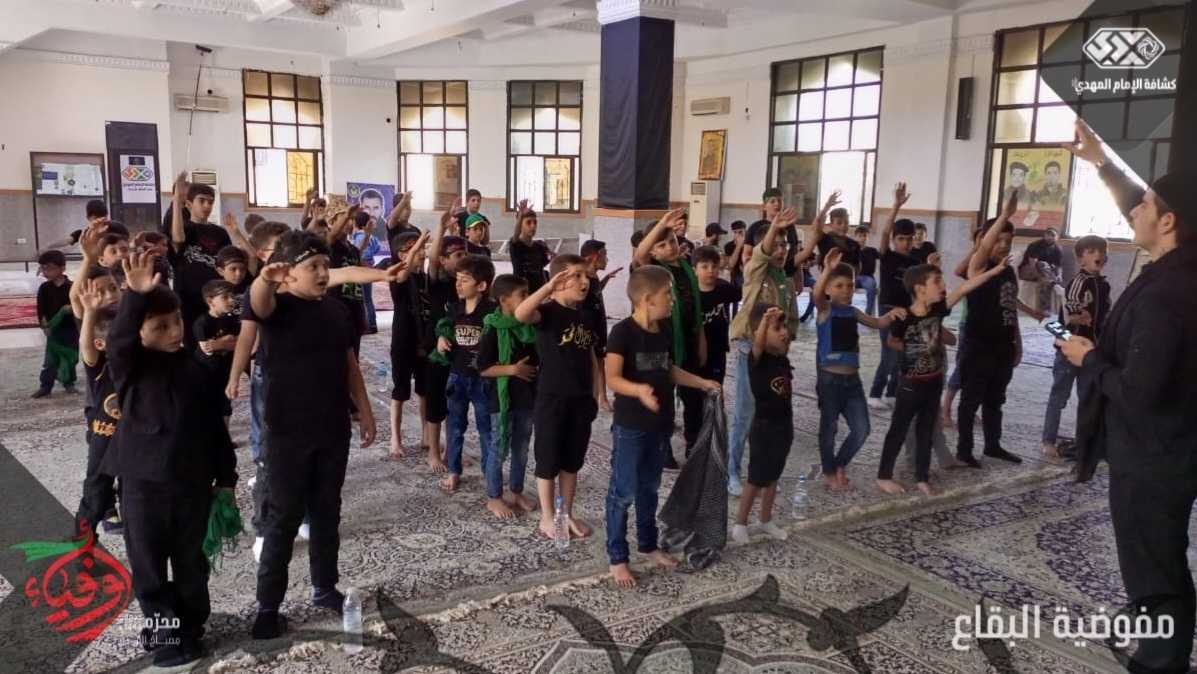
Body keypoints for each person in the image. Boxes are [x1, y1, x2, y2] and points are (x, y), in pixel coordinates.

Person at [1058, 117, 1197, 673]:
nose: (1133, 212)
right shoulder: (1182, 268)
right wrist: (1100, 162)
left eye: (1145, 207)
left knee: (1153, 565)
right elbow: (1138, 202)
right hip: (1173, 448)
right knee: (1159, 559)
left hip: (1153, 455)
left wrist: (1088, 358)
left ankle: (1161, 662)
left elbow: (1138, 393)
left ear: (1169, 221)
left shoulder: (1167, 294)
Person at [108, 251, 236, 666]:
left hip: (191, 484)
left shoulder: (197, 368)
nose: (174, 331)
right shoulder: (131, 370)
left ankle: (191, 626)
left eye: (176, 321)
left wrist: (226, 478)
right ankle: (165, 634)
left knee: (191, 563)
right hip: (143, 486)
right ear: (140, 332)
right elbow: (119, 343)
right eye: (160, 326)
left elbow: (215, 427)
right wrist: (134, 296)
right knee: (148, 566)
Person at [247, 230, 375, 641]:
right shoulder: (276, 307)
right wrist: (264, 279)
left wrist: (364, 409)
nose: (322, 273)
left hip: (332, 427)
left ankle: (324, 587)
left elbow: (349, 364)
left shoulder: (336, 311)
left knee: (326, 511)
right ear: (287, 273)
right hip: (287, 433)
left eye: (325, 265)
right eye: (312, 266)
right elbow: (257, 303)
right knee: (283, 517)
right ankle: (268, 606)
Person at [604, 265, 720, 587]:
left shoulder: (664, 329)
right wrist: (638, 390)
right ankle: (617, 557)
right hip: (631, 426)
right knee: (623, 491)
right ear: (646, 299)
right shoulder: (623, 333)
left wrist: (701, 382)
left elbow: (668, 370)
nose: (672, 299)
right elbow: (612, 377)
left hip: (660, 424)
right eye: (667, 294)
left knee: (649, 488)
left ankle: (648, 544)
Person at [876, 259, 1009, 496]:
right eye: (937, 281)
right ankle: (884, 476)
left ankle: (922, 478)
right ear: (920, 289)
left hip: (934, 381)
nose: (943, 285)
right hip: (910, 385)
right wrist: (913, 348)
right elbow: (891, 341)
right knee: (898, 429)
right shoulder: (904, 317)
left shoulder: (938, 310)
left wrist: (995, 271)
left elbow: (964, 288)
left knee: (926, 431)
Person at [514, 253, 604, 542]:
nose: (584, 281)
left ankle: (565, 514)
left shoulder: (586, 316)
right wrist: (547, 287)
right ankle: (547, 516)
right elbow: (521, 314)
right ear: (559, 280)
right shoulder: (547, 312)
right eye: (577, 275)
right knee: (548, 460)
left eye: (586, 276)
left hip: (581, 399)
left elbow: (591, 357)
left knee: (571, 461)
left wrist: (596, 394)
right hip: (552, 398)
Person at [726, 207, 808, 496]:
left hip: (775, 355)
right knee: (745, 413)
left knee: (769, 414)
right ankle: (731, 471)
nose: (782, 250)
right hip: (750, 349)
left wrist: (785, 342)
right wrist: (773, 226)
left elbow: (792, 319)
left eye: (785, 245)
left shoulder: (785, 282)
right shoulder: (754, 273)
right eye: (776, 244)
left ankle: (761, 472)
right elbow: (760, 254)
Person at [812, 249, 906, 491]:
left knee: (862, 429)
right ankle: (829, 472)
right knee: (829, 429)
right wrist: (827, 269)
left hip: (852, 382)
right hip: (830, 380)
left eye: (851, 286)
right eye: (840, 286)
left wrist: (891, 314)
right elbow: (816, 296)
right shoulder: (826, 310)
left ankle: (839, 464)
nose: (846, 290)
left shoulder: (853, 312)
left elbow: (877, 323)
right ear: (828, 289)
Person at [632, 210, 707, 470]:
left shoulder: (685, 268)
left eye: (672, 241)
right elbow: (640, 255)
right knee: (662, 397)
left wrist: (701, 340)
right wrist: (663, 223)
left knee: (694, 398)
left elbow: (696, 309)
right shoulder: (653, 272)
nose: (670, 247)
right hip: (660, 344)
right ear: (654, 251)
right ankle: (661, 449)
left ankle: (693, 443)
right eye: (662, 245)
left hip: (688, 341)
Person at [956, 192, 1022, 467]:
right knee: (970, 400)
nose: (1003, 246)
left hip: (1003, 346)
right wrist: (1004, 215)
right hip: (978, 345)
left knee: (995, 400)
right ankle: (964, 450)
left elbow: (1010, 308)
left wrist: (1017, 342)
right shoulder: (979, 266)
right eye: (998, 240)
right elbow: (983, 248)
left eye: (1008, 241)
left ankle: (993, 445)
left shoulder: (1008, 271)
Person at [476, 274, 539, 519]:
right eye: (523, 295)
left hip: (527, 397)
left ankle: (516, 491)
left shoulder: (529, 327)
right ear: (503, 300)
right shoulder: (493, 328)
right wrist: (513, 369)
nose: (528, 298)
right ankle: (494, 497)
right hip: (501, 400)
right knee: (499, 447)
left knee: (521, 448)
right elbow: (483, 368)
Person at [1041, 235, 1108, 459]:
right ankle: (1048, 440)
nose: (1098, 255)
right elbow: (1068, 315)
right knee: (1059, 397)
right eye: (1091, 251)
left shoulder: (1103, 285)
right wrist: (1080, 317)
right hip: (1070, 350)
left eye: (1101, 251)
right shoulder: (1078, 282)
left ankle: (1084, 441)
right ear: (1080, 259)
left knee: (1088, 397)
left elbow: (1103, 317)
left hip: (1091, 351)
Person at [435, 254, 498, 492]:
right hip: (457, 376)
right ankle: (454, 470)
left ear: (481, 286)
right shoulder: (454, 309)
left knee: (486, 429)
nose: (458, 284)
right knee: (454, 427)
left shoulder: (492, 312)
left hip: (483, 379)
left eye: (464, 280)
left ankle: (489, 472)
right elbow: (445, 330)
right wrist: (441, 339)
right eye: (457, 279)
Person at [731, 304, 792, 544]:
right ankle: (740, 523)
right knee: (756, 478)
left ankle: (765, 519)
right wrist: (765, 323)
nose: (783, 332)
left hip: (784, 425)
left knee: (774, 475)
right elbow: (757, 346)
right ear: (760, 332)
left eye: (783, 327)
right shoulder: (757, 359)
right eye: (778, 329)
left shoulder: (780, 359)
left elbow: (785, 341)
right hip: (764, 428)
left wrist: (779, 329)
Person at [422, 205, 469, 473]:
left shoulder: (467, 285)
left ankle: (452, 450)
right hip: (437, 350)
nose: (463, 259)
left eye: (465, 254)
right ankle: (433, 452)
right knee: (436, 402)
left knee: (456, 404)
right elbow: (432, 260)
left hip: (460, 351)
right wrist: (441, 227)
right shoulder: (437, 283)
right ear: (443, 260)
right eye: (458, 255)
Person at [868, 183, 922, 410]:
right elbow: (884, 232)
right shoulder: (887, 256)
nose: (906, 243)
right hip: (888, 309)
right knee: (888, 353)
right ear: (894, 240)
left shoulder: (915, 261)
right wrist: (896, 206)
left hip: (907, 311)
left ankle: (892, 392)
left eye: (909, 239)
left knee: (902, 352)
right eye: (901, 239)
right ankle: (875, 393)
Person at [73, 284, 120, 539]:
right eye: (118, 339)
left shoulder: (141, 365)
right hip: (104, 438)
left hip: (135, 439)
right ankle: (83, 544)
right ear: (101, 344)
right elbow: (86, 343)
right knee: (96, 491)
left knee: (134, 493)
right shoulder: (100, 367)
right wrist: (90, 312)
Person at [167, 171, 228, 351]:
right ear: (189, 204)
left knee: (216, 342)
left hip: (214, 297)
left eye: (210, 202)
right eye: (202, 201)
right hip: (189, 296)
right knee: (193, 344)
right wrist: (176, 199)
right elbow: (178, 238)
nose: (207, 206)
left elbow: (227, 262)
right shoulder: (184, 229)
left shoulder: (220, 233)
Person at [384, 230, 431, 459]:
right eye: (414, 249)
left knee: (424, 390)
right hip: (403, 341)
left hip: (423, 342)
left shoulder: (425, 279)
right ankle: (395, 438)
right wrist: (419, 242)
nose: (421, 253)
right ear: (402, 255)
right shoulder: (398, 278)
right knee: (400, 391)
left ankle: (426, 435)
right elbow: (403, 275)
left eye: (422, 249)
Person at [694, 245, 741, 393]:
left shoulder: (724, 288)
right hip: (694, 351)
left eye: (714, 266)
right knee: (694, 392)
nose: (710, 270)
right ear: (695, 270)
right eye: (704, 267)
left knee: (715, 389)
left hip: (718, 349)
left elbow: (744, 295)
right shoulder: (690, 294)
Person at [32, 250, 78, 398]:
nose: (45, 272)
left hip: (71, 329)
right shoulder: (44, 288)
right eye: (43, 268)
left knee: (70, 358)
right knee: (50, 359)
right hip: (53, 329)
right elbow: (41, 309)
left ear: (62, 268)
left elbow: (79, 308)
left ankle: (69, 382)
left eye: (49, 268)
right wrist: (44, 325)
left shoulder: (72, 287)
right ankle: (46, 386)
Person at [193, 280, 240, 423]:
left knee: (226, 404)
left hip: (226, 369)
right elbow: (207, 348)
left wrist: (219, 343)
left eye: (232, 296)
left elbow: (238, 342)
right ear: (210, 301)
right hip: (206, 371)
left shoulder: (232, 320)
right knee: (208, 404)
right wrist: (227, 341)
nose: (231, 300)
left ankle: (225, 433)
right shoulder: (202, 322)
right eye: (225, 297)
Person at [580, 238, 619, 357]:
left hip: (599, 330)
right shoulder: (582, 280)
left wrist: (606, 278)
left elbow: (595, 292)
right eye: (605, 255)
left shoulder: (594, 276)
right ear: (596, 256)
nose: (607, 259)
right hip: (590, 335)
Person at [509, 200, 552, 292]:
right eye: (528, 222)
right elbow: (516, 236)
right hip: (521, 291)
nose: (533, 226)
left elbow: (541, 270)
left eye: (535, 222)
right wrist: (520, 216)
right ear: (520, 225)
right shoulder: (516, 245)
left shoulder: (540, 246)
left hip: (537, 290)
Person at [351, 210, 383, 334]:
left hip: (363, 268)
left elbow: (362, 253)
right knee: (368, 297)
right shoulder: (371, 237)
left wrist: (363, 261)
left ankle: (370, 324)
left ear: (356, 223)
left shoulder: (359, 237)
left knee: (365, 298)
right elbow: (377, 248)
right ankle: (371, 323)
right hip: (369, 266)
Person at [215, 246, 251, 317]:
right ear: (220, 271)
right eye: (233, 269)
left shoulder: (252, 288)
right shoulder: (214, 291)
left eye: (242, 269)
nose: (239, 273)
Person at [853, 225, 878, 316]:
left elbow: (884, 257)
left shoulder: (872, 250)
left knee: (871, 285)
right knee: (843, 285)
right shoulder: (852, 250)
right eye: (860, 236)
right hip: (854, 276)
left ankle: (868, 314)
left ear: (868, 237)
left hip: (867, 277)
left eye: (865, 236)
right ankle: (847, 311)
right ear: (855, 237)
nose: (862, 238)